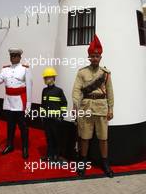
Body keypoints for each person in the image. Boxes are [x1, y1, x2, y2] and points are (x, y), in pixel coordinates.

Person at [72, 35, 114, 177]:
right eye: (92, 56)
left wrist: (111, 109)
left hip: (101, 108)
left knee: (103, 138)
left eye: (97, 56)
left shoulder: (106, 73)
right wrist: (75, 106)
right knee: (84, 138)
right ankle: (83, 162)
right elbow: (76, 90)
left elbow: (110, 92)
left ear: (100, 57)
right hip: (86, 108)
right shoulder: (82, 72)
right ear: (89, 57)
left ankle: (105, 163)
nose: (95, 58)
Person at [0, 48, 32, 159]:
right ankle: (10, 145)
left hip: (21, 102)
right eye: (12, 56)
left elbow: (29, 87)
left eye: (16, 55)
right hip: (9, 102)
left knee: (23, 127)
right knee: (10, 125)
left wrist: (29, 104)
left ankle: (25, 147)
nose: (13, 58)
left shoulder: (25, 69)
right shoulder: (5, 69)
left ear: (20, 57)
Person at [40, 67, 67, 162]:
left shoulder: (59, 91)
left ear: (53, 78)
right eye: (45, 78)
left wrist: (61, 115)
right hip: (47, 119)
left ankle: (56, 155)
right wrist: (42, 115)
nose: (45, 79)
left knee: (56, 137)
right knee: (48, 137)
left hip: (55, 119)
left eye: (47, 77)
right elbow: (43, 104)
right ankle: (49, 155)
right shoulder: (44, 91)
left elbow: (64, 103)